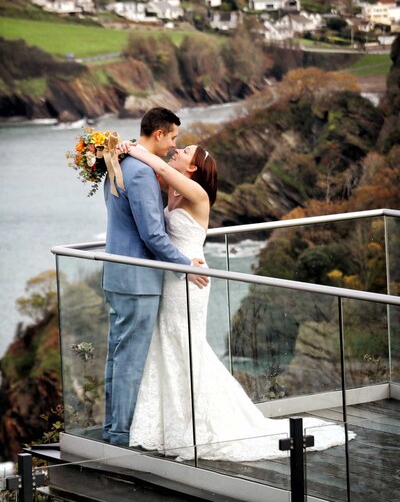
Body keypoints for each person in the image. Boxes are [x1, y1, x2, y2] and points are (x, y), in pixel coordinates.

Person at [118, 141, 355, 461]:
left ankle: (200, 424)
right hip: (175, 274)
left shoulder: (197, 195)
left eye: (185, 151)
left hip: (193, 278)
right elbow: (150, 178)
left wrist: (132, 148)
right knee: (170, 344)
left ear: (193, 168)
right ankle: (170, 425)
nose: (177, 151)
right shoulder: (173, 191)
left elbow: (158, 166)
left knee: (188, 345)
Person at [102, 107, 208, 446]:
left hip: (119, 273)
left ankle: (112, 427)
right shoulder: (141, 173)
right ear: (159, 134)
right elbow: (152, 234)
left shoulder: (120, 162)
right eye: (173, 137)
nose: (175, 145)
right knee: (130, 359)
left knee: (117, 355)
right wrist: (185, 265)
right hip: (139, 279)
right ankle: (119, 436)